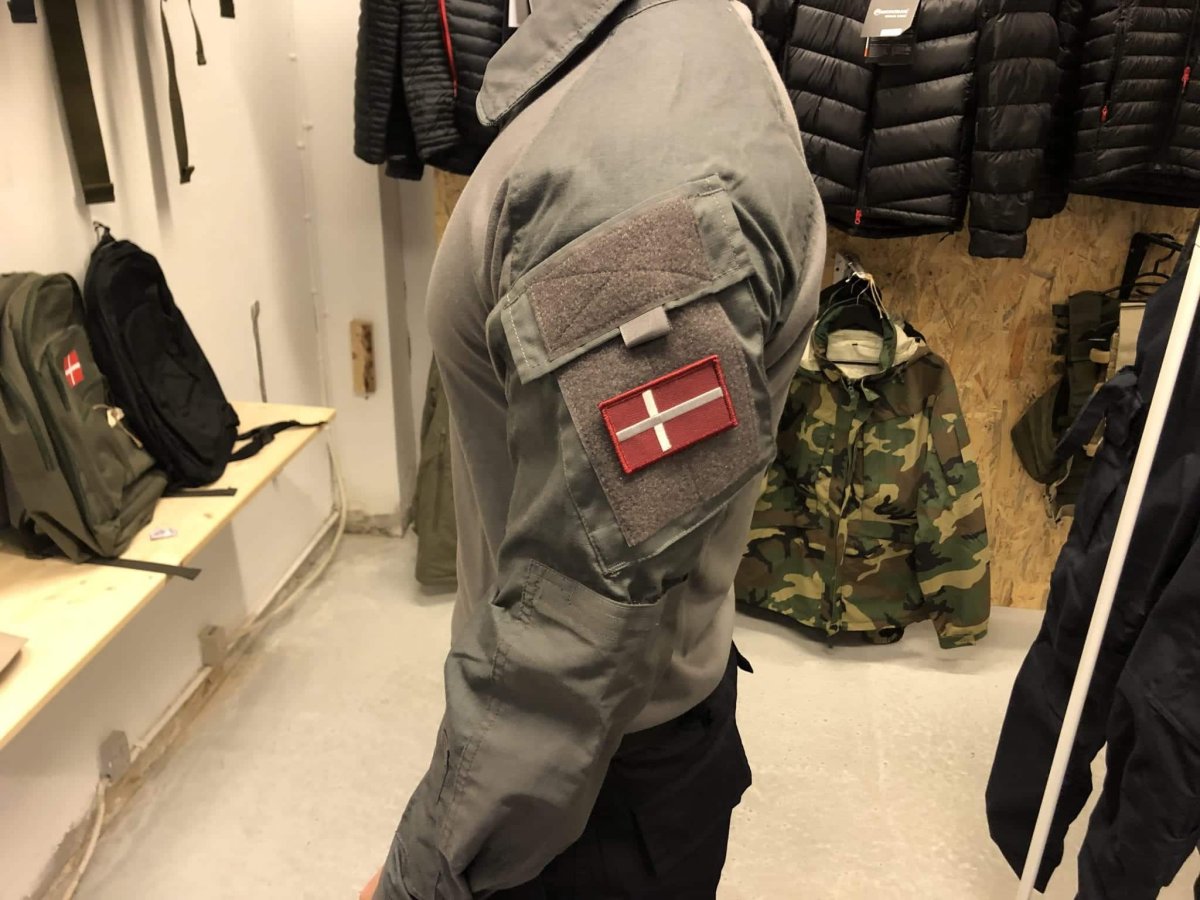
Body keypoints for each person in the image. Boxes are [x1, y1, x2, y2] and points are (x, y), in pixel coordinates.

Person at [362, 0, 823, 895]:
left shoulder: (640, 163)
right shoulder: (652, 67)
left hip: (582, 801)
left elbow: (577, 636)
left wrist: (421, 875)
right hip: (597, 770)